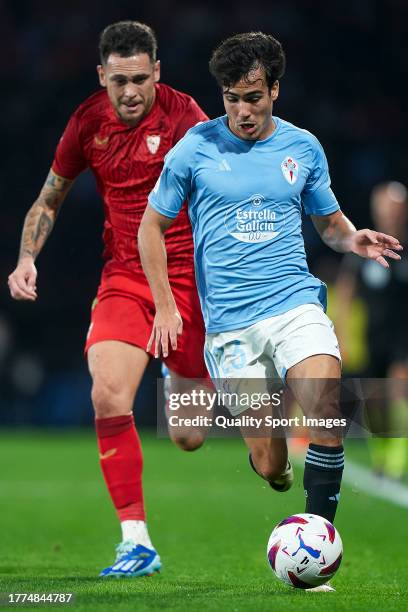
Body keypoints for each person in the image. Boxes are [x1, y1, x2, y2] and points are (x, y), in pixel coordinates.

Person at [138, 32, 402, 591]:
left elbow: (330, 226)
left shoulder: (303, 148)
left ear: (274, 90)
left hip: (293, 305)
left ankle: (317, 544)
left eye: (253, 97)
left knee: (326, 405)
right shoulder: (194, 149)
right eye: (232, 97)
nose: (242, 110)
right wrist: (165, 305)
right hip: (231, 329)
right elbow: (151, 228)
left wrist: (354, 241)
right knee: (272, 465)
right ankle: (278, 472)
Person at [7, 20, 209, 578]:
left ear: (157, 72)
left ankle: (182, 373)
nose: (129, 92)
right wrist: (27, 258)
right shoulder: (86, 123)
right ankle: (136, 542)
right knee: (107, 395)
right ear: (102, 76)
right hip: (125, 279)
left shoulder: (186, 117)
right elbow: (49, 199)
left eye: (140, 78)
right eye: (118, 80)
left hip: (187, 283)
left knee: (189, 437)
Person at [335, 181, 408, 479]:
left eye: (395, 209)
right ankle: (382, 452)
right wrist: (340, 333)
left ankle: (399, 459)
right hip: (373, 335)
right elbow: (345, 291)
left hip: (403, 336)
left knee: (401, 386)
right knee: (375, 399)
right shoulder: (362, 248)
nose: (389, 214)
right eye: (384, 208)